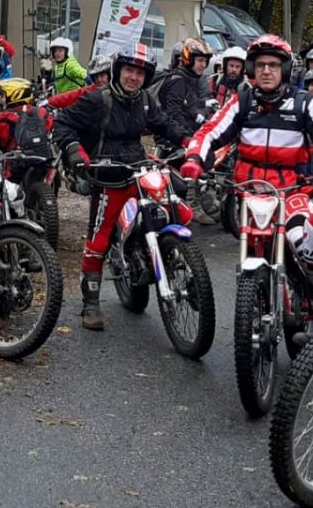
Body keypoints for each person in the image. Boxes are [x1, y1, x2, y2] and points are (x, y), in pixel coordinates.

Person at [51, 43, 193, 331]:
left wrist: (191, 142)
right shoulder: (97, 99)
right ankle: (91, 303)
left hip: (138, 166)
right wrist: (75, 150)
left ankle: (184, 266)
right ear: (118, 70)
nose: (134, 77)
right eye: (129, 70)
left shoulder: (144, 100)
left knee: (175, 201)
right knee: (99, 237)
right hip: (108, 172)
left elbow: (164, 124)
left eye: (140, 73)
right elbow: (63, 123)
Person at [185, 36, 313, 268]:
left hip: (292, 190)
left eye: (273, 65)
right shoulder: (242, 101)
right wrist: (194, 157)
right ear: (252, 69)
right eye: (260, 65)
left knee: (304, 246)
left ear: (284, 69)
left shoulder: (305, 103)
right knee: (251, 246)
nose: (266, 71)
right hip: (249, 191)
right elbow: (210, 130)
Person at [154, 38, 214, 140]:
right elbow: (174, 114)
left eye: (205, 61)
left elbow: (189, 104)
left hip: (184, 134)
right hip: (174, 139)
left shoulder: (191, 78)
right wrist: (187, 137)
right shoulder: (178, 81)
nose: (204, 65)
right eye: (200, 60)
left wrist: (204, 109)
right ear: (189, 60)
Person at [45, 53, 113, 111]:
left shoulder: (116, 92)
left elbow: (80, 72)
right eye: (96, 77)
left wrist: (85, 76)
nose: (99, 79)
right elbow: (71, 96)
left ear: (109, 75)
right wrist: (48, 101)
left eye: (102, 75)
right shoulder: (93, 89)